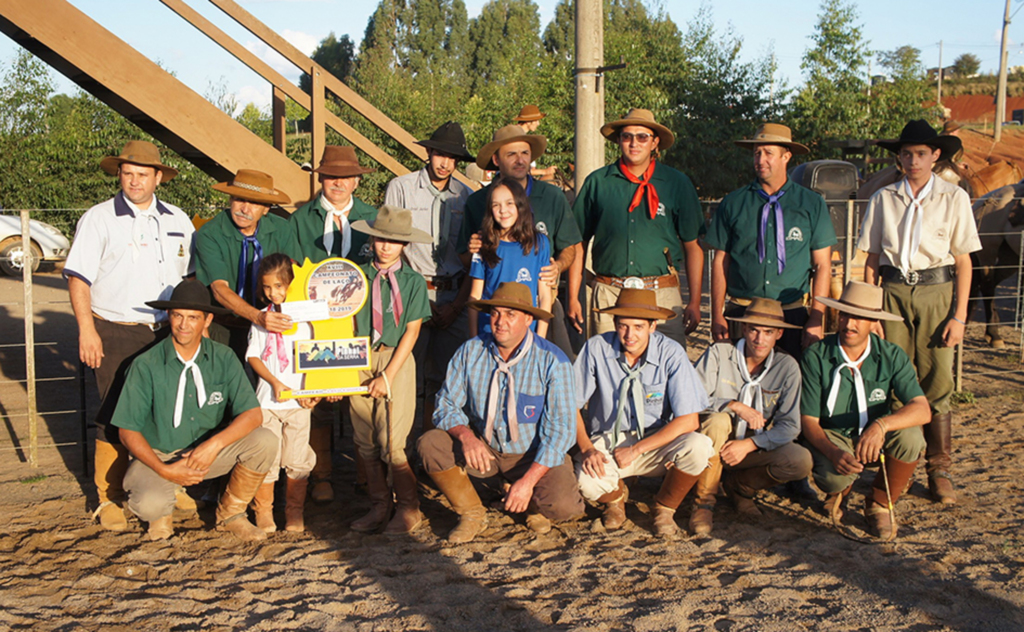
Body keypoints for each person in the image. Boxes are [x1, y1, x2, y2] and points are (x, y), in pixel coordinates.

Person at [63, 140, 194, 531]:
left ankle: (169, 484)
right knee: (115, 410)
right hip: (115, 327)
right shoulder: (99, 218)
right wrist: (87, 330)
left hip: (166, 328)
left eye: (143, 174)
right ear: (119, 174)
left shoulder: (178, 220)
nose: (134, 181)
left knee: (170, 408)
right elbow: (78, 278)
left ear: (158, 178)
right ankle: (108, 497)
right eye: (128, 173)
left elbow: (188, 278)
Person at [858, 119, 981, 506]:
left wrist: (959, 316)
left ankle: (938, 467)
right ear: (898, 157)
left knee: (937, 376)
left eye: (922, 154)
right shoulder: (884, 198)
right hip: (893, 291)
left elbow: (964, 262)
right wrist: (871, 311)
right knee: (896, 375)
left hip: (936, 290)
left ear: (936, 156)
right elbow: (872, 260)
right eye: (907, 154)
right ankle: (899, 463)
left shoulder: (953, 198)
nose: (914, 160)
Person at [112, 279, 277, 542]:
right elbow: (127, 430)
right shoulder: (145, 364)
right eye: (177, 316)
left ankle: (231, 515)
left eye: (192, 317)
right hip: (158, 457)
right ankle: (161, 515)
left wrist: (213, 445)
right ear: (169, 317)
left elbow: (252, 414)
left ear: (207, 320)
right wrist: (164, 469)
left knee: (265, 441)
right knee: (148, 503)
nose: (184, 325)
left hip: (206, 454)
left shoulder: (223, 357)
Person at [418, 282, 584, 542]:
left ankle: (530, 503)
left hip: (533, 454)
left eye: (510, 314)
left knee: (564, 507)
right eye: (495, 313)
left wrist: (528, 482)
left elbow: (561, 432)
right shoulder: (470, 351)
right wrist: (467, 437)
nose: (500, 322)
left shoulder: (553, 360)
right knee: (430, 444)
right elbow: (444, 405)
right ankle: (472, 513)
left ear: (529, 319)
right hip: (486, 450)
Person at [573, 289, 713, 538]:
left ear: (653, 326)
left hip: (657, 438)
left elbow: (689, 420)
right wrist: (587, 448)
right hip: (609, 439)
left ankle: (664, 507)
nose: (630, 335)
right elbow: (569, 405)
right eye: (623, 326)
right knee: (586, 480)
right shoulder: (595, 348)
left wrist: (637, 449)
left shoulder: (671, 353)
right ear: (614, 324)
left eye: (638, 326)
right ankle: (615, 499)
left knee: (699, 446)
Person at [801, 281, 930, 540]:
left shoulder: (892, 355)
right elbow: (809, 421)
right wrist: (833, 451)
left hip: (874, 432)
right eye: (845, 315)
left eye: (859, 317)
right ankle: (840, 492)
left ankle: (880, 502)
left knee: (912, 437)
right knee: (833, 477)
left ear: (874, 322)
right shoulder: (816, 355)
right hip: (833, 434)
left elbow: (922, 409)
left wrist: (881, 425)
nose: (849, 324)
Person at [569, 108, 704, 348]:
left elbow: (692, 246)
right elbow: (576, 244)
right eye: (627, 136)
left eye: (642, 137)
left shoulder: (676, 183)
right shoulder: (598, 182)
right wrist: (573, 296)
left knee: (666, 368)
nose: (634, 143)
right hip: (609, 292)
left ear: (655, 142)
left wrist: (694, 301)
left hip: (661, 292)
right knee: (607, 365)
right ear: (619, 141)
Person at [289, 145, 378, 503]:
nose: (338, 183)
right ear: (320, 178)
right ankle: (322, 475)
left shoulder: (373, 217)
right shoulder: (299, 220)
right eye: (330, 176)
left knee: (359, 399)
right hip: (315, 322)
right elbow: (294, 272)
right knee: (318, 395)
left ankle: (365, 472)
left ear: (357, 180)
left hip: (361, 321)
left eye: (345, 177)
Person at [704, 123, 836, 358]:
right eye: (756, 153)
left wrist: (816, 316)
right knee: (736, 383)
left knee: (789, 382)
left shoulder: (811, 204)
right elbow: (720, 260)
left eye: (768, 153)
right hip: (742, 312)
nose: (760, 159)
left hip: (790, 312)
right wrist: (717, 314)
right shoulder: (733, 203)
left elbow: (822, 265)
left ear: (786, 156)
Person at [458, 124, 583, 356]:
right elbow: (467, 263)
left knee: (559, 364)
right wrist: (473, 249)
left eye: (525, 153)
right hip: (491, 312)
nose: (520, 160)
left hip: (539, 305)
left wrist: (558, 267)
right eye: (511, 154)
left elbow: (572, 247)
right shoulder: (477, 202)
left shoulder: (552, 196)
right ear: (496, 159)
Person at [383, 122, 475, 430]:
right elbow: (393, 245)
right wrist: (420, 297)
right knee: (408, 374)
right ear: (428, 152)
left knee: (449, 377)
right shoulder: (402, 187)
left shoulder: (467, 196)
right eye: (440, 154)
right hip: (412, 291)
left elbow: (472, 259)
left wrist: (456, 305)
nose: (445, 163)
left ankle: (436, 447)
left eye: (453, 158)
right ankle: (402, 450)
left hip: (455, 295)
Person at [693, 298, 811, 535]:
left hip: (751, 448)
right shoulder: (720, 352)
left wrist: (750, 444)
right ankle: (703, 502)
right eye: (754, 330)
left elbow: (790, 426)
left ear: (778, 334)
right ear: (744, 329)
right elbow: (692, 399)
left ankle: (740, 487)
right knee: (718, 420)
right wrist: (733, 405)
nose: (759, 339)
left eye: (768, 332)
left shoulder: (787, 367)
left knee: (800, 460)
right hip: (712, 446)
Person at [347, 206, 432, 534]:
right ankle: (379, 505)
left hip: (395, 357)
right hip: (359, 356)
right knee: (364, 438)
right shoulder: (355, 275)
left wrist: (388, 375)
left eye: (394, 241)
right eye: (381, 238)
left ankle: (409, 508)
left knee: (392, 439)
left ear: (405, 245)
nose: (386, 246)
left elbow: (411, 331)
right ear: (372, 238)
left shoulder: (411, 282)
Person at [245, 254, 319, 533]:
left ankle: (294, 512)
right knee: (269, 458)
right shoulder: (262, 319)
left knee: (297, 457)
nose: (273, 293)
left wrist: (315, 392)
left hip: (300, 402)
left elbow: (319, 358)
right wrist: (275, 382)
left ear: (291, 283)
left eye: (279, 286)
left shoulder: (308, 320)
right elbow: (253, 356)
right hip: (268, 401)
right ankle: (264, 511)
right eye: (267, 288)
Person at [194, 169, 300, 358]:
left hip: (275, 324)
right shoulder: (209, 234)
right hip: (225, 326)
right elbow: (219, 288)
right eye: (239, 200)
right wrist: (257, 317)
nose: (245, 209)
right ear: (230, 200)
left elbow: (295, 277)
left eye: (254, 203)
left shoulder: (282, 229)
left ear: (267, 208)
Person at [468, 176, 553, 339]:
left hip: (526, 334)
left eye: (509, 203)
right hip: (489, 331)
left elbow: (544, 296)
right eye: (496, 205)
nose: (502, 210)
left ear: (520, 205)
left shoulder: (539, 243)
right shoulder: (483, 243)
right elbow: (475, 296)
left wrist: (540, 340)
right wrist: (473, 340)